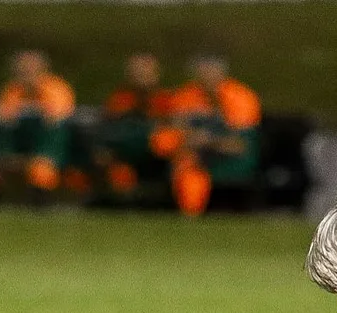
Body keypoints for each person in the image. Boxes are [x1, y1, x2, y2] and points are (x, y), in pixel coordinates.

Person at [150, 55, 261, 217]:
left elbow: (241, 142)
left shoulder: (241, 97)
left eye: (211, 70)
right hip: (191, 153)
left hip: (228, 156)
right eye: (203, 71)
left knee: (192, 166)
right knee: (181, 158)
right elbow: (171, 129)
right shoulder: (185, 96)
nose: (207, 75)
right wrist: (189, 138)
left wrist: (208, 141)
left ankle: (192, 213)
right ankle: (190, 214)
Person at [0, 50, 75, 200]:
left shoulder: (57, 90)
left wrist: (31, 158)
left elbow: (55, 127)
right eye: (21, 69)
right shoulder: (12, 91)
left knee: (41, 170)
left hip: (50, 150)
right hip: (15, 150)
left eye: (30, 68)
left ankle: (38, 210)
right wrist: (8, 156)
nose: (25, 73)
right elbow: (6, 128)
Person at [96, 53, 172, 200]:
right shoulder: (118, 100)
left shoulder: (166, 100)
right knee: (119, 176)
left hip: (158, 159)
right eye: (136, 72)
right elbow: (107, 130)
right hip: (124, 156)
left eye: (145, 72)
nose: (141, 76)